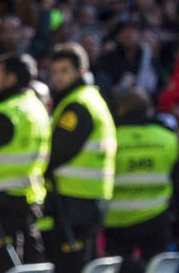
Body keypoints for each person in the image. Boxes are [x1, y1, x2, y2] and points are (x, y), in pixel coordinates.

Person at [39, 42, 117, 273]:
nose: (58, 78)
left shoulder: (78, 104)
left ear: (81, 71)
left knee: (71, 265)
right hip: (87, 197)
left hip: (75, 200)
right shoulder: (90, 98)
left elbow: (57, 153)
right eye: (54, 72)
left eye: (64, 71)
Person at [0, 53, 49, 271]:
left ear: (11, 78)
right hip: (30, 196)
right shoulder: (37, 107)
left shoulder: (5, 112)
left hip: (3, 200)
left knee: (5, 264)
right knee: (28, 260)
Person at [105, 89, 179, 273]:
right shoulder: (167, 137)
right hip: (156, 217)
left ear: (121, 110)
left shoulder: (111, 137)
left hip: (117, 220)